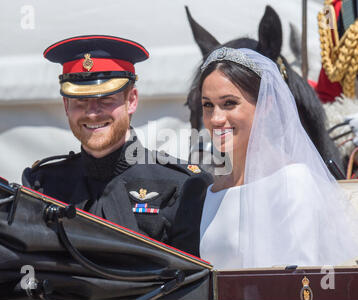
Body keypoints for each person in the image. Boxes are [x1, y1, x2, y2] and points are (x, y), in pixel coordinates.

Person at [22, 35, 212, 253]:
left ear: (131, 100)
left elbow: (194, 281)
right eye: (80, 101)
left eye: (106, 99)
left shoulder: (181, 185)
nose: (92, 113)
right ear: (66, 106)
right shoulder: (42, 185)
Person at [188, 47, 358, 269]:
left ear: (265, 105)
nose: (216, 118)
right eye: (208, 105)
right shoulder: (212, 191)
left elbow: (301, 281)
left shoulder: (292, 182)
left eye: (229, 103)